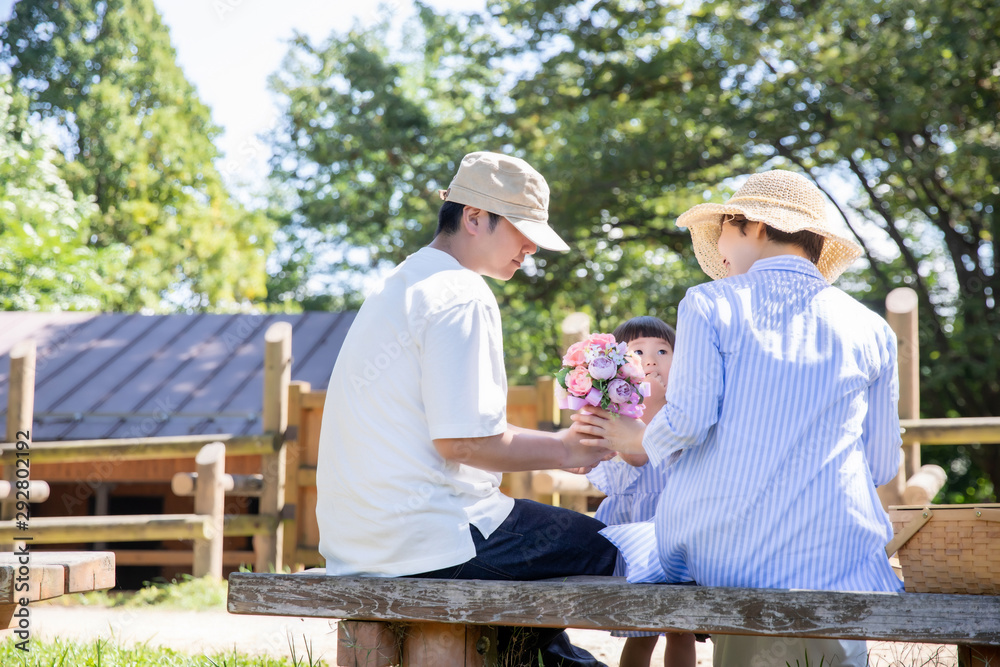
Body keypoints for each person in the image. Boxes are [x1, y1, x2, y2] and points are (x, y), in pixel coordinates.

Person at [574, 170, 903, 667]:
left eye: (722, 233)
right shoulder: (872, 327)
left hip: (732, 551)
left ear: (750, 225)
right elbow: (881, 465)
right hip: (842, 554)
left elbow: (687, 420)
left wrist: (637, 439)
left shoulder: (709, 302)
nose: (720, 251)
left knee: (646, 549)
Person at [315, 151, 618, 666]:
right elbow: (463, 443)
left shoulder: (401, 283)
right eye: (523, 233)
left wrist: (559, 447)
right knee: (610, 545)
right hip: (433, 540)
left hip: (357, 542)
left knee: (539, 597)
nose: (529, 250)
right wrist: (565, 448)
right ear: (474, 217)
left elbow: (458, 429)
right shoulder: (462, 293)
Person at [585, 316, 698, 667]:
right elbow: (632, 461)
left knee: (682, 625)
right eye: (638, 351)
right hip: (638, 532)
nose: (651, 359)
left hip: (678, 528)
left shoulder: (685, 415)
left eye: (663, 350)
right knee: (643, 626)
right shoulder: (617, 417)